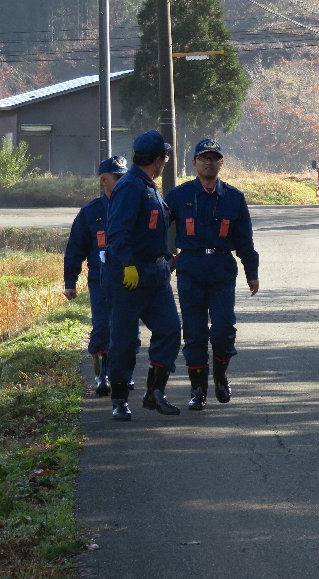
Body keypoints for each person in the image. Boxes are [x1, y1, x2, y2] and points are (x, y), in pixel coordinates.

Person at [165, 138, 259, 411]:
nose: (208, 162)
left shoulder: (234, 198)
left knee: (223, 329)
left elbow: (244, 240)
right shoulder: (179, 196)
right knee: (194, 334)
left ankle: (220, 377)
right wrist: (164, 256)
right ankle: (198, 389)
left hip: (221, 270)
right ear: (194, 163)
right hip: (190, 268)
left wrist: (251, 272)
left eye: (214, 158)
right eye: (203, 158)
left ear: (221, 163)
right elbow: (156, 226)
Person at [104, 130, 183, 421]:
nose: (165, 163)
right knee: (124, 340)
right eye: (164, 157)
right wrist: (127, 263)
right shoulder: (130, 187)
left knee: (170, 329)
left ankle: (154, 392)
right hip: (129, 276)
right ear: (158, 159)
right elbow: (117, 231)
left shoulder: (149, 186)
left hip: (155, 273)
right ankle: (119, 398)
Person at [63, 156, 127, 396]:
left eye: (124, 177)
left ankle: (123, 373)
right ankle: (102, 375)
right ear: (103, 180)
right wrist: (70, 282)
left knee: (126, 329)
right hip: (100, 279)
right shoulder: (90, 212)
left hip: (129, 278)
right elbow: (75, 249)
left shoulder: (135, 205)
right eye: (116, 177)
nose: (121, 181)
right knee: (102, 326)